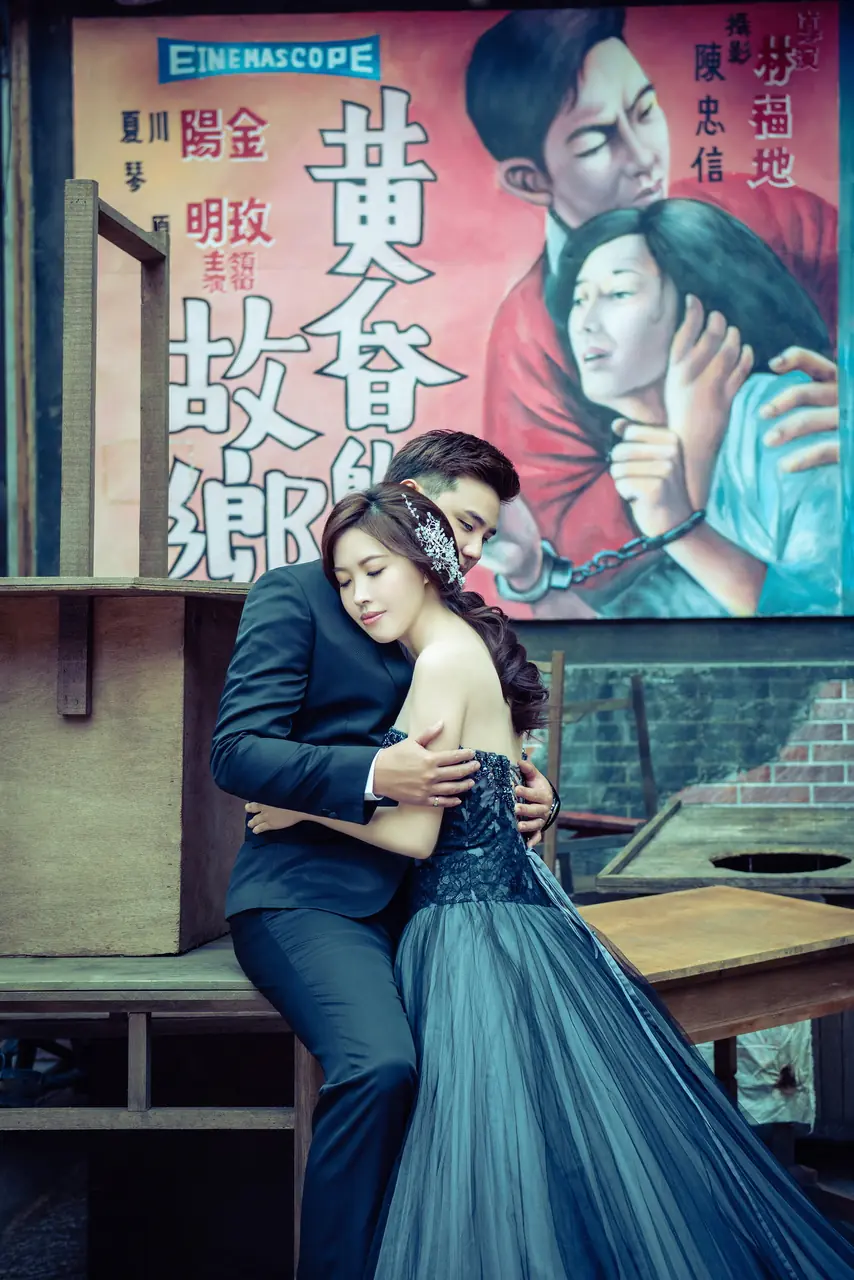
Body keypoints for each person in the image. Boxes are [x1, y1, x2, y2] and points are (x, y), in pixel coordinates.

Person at [246, 483, 854, 1279]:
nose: (359, 595)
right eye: (346, 579)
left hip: (464, 922)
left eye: (374, 572)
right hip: (512, 914)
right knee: (543, 1137)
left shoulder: (441, 663)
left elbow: (416, 833)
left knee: (485, 1140)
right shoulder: (459, 649)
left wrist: (302, 809)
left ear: (423, 565)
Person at [210, 430, 558, 1280]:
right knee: (380, 1067)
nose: (473, 551)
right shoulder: (298, 596)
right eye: (465, 524)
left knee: (494, 1082)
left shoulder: (459, 625)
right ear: (411, 500)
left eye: (484, 536)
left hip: (445, 906)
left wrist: (535, 795)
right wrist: (367, 775)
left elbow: (486, 741)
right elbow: (238, 750)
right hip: (313, 897)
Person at [465, 9, 840, 603]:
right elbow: (585, 561)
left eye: (644, 111)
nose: (644, 157)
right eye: (596, 141)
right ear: (530, 180)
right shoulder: (528, 341)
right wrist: (684, 444)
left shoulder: (769, 213)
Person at [534, 198, 841, 618]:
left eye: (619, 293)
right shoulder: (649, 452)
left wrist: (680, 526)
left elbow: (827, 615)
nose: (586, 321)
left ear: (697, 308)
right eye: (579, 299)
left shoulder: (785, 415)